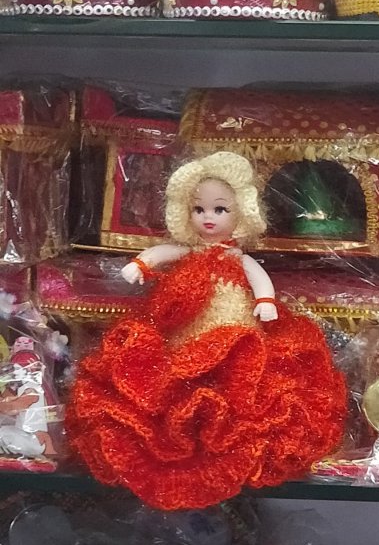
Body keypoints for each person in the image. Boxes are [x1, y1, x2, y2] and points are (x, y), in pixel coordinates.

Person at [66, 150, 347, 511]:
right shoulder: (189, 253)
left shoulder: (237, 258)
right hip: (185, 337)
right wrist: (140, 264)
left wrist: (266, 301)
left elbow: (259, 278)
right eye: (199, 209)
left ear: (241, 213)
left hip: (237, 335)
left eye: (220, 209)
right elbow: (161, 253)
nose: (208, 217)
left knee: (242, 378)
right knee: (172, 378)